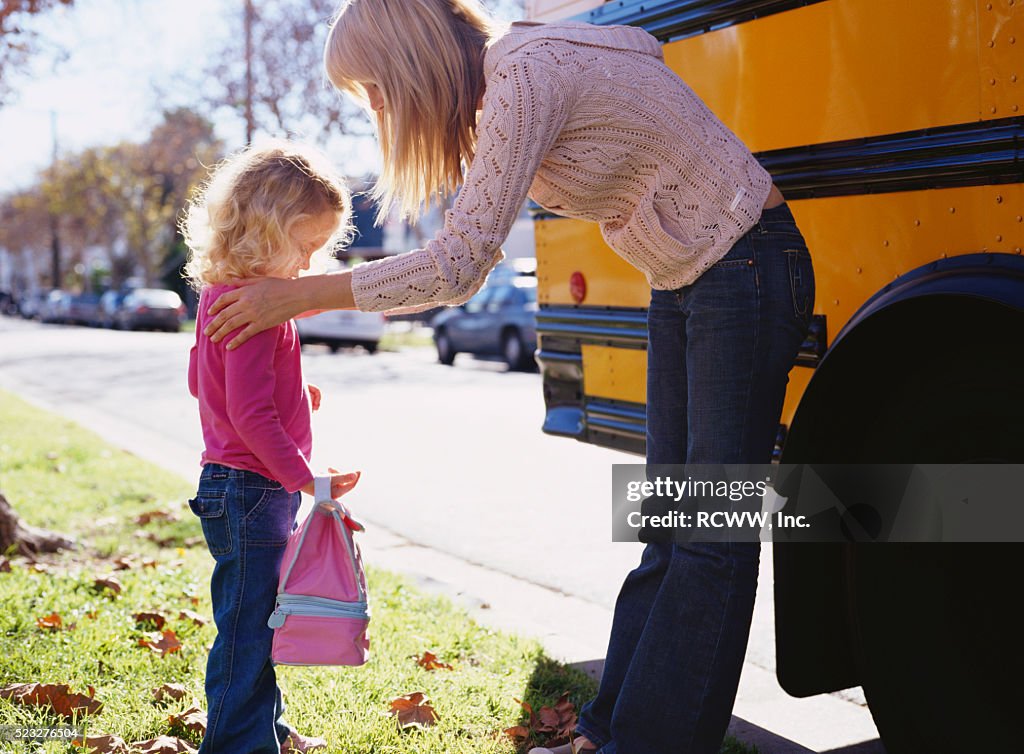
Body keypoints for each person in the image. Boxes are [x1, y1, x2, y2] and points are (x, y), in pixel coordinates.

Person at [202, 2, 815, 752]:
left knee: (709, 535)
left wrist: (299, 295)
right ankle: (606, 733)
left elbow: (458, 265)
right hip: (688, 280)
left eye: (375, 88)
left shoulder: (526, 73)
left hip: (745, 266)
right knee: (669, 529)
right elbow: (640, 50)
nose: (380, 109)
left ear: (410, 60)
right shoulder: (514, 83)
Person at [183, 139, 361, 754]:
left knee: (260, 617)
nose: (313, 260)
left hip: (235, 488)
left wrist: (292, 390)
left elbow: (203, 383)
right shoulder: (259, 305)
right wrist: (307, 479)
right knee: (248, 628)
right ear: (266, 229)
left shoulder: (220, 294)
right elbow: (250, 416)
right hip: (254, 490)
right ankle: (235, 743)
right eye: (307, 245)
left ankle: (266, 728)